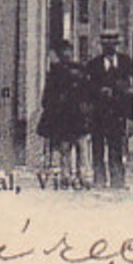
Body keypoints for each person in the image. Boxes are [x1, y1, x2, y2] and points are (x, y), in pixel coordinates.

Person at [85, 31, 133, 189]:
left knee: (116, 147)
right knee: (97, 148)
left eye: (112, 44)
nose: (109, 47)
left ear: (116, 45)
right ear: (102, 46)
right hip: (99, 114)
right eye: (106, 44)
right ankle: (99, 179)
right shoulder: (93, 65)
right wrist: (98, 91)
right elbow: (85, 87)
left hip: (118, 113)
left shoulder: (125, 62)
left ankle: (117, 179)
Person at [37, 40, 88, 181]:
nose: (67, 55)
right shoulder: (55, 74)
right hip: (64, 115)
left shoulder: (80, 70)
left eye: (69, 52)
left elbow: (87, 91)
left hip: (78, 114)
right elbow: (47, 96)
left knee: (80, 145)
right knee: (65, 146)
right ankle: (66, 173)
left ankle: (81, 173)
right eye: (64, 53)